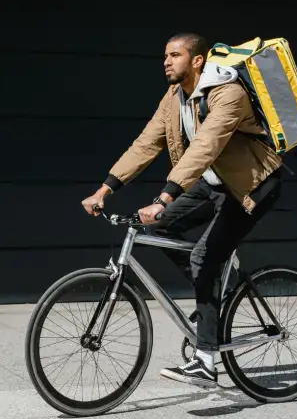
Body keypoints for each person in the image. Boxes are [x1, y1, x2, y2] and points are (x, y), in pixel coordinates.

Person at [81, 32, 284, 388]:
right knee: (158, 231)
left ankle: (206, 360)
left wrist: (164, 199)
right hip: (214, 182)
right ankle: (213, 297)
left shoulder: (228, 93)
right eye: (165, 55)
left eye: (175, 55)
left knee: (203, 258)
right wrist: (104, 190)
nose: (166, 61)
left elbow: (204, 147)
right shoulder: (174, 98)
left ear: (198, 60)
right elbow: (145, 144)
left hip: (251, 186)